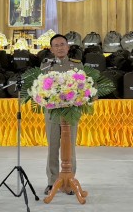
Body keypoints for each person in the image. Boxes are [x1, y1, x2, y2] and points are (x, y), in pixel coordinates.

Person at [40, 34, 83, 195]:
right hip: (52, 113)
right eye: (56, 45)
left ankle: (69, 180)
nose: (59, 47)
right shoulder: (45, 65)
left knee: (69, 148)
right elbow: (41, 87)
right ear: (51, 49)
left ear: (68, 47)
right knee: (53, 147)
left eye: (62, 44)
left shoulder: (76, 65)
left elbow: (83, 86)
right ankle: (52, 181)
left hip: (70, 113)